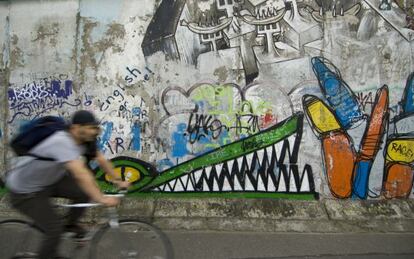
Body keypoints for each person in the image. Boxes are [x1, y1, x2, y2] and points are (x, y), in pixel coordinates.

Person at [6, 110, 130, 259]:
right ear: (76, 128)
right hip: (26, 191)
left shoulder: (85, 141)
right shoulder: (61, 141)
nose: (94, 132)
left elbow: (102, 160)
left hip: (50, 180)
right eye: (90, 127)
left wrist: (118, 180)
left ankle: (69, 225)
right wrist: (102, 198)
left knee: (83, 193)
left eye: (95, 128)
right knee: (54, 229)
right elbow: (80, 174)